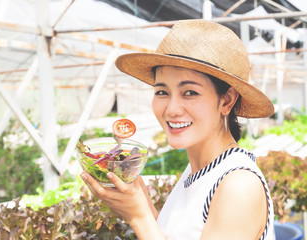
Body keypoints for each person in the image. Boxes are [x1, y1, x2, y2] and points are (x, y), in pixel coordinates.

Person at [80, 19, 275, 240]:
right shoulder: (197, 172)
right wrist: (140, 201)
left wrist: (139, 216)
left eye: (190, 92)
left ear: (227, 101)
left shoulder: (238, 185)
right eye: (162, 92)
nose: (172, 109)